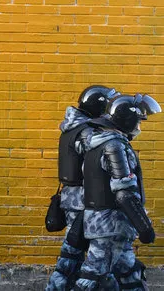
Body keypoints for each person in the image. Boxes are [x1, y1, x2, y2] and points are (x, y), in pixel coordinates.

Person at [73, 93, 161, 291]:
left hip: (102, 222)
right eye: (138, 121)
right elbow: (124, 193)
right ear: (126, 120)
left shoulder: (97, 142)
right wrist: (144, 226)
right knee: (91, 278)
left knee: (130, 274)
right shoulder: (114, 146)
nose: (139, 127)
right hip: (110, 226)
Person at [46, 86, 119, 290]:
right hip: (84, 201)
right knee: (87, 256)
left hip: (72, 198)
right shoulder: (87, 133)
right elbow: (98, 162)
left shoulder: (72, 128)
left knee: (73, 253)